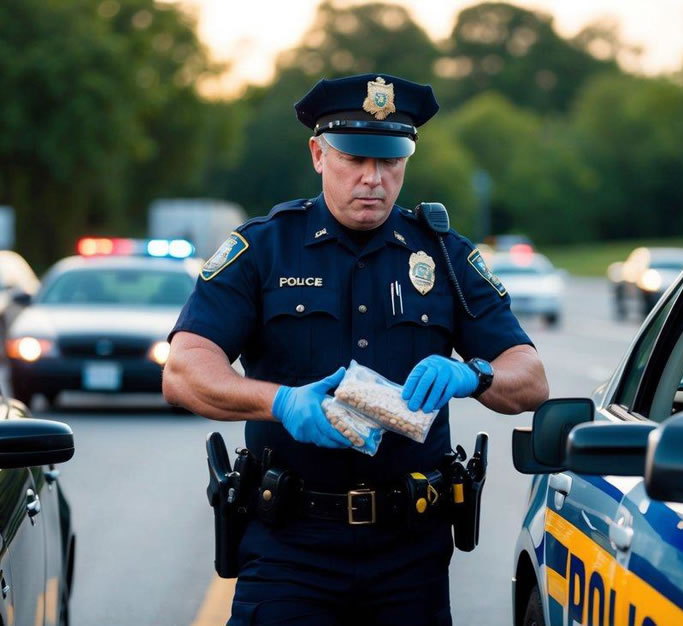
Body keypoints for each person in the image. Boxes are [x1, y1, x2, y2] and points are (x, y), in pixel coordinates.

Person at [163, 73, 549, 625]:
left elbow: (531, 377)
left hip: (409, 549)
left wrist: (475, 374)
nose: (373, 179)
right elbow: (183, 369)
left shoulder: (443, 255)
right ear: (318, 154)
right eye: (354, 159)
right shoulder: (263, 247)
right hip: (289, 546)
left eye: (390, 161)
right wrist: (281, 403)